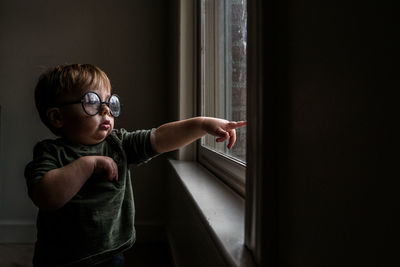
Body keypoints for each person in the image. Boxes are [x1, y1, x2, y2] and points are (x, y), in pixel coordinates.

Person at [24, 63, 246, 266]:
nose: (106, 110)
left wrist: (203, 124)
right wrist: (87, 165)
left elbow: (160, 137)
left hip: (112, 252)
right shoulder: (50, 152)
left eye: (109, 102)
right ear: (57, 117)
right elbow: (46, 196)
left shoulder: (118, 143)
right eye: (91, 102)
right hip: (61, 259)